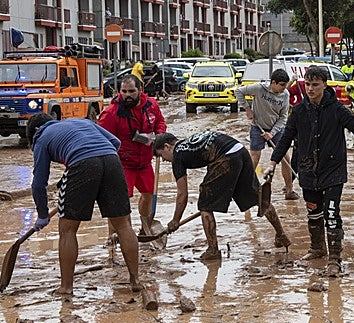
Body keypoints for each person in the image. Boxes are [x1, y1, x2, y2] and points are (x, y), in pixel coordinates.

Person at [264, 66, 354, 278]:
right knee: (313, 211)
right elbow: (286, 138)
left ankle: (335, 259)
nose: (310, 89)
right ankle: (317, 248)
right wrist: (272, 164)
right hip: (307, 170)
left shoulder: (337, 110)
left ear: (325, 85)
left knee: (332, 214)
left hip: (333, 170)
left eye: (315, 85)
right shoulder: (298, 112)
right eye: (307, 84)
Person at [26, 114, 141, 296]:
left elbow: (39, 183)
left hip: (82, 164)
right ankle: (135, 280)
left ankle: (66, 288)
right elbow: (115, 142)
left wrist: (42, 214)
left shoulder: (41, 137)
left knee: (67, 230)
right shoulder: (82, 121)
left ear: (35, 131)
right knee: (123, 225)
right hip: (112, 160)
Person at [153, 130, 290, 261]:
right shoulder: (188, 143)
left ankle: (213, 250)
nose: (164, 160)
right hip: (240, 150)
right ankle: (281, 234)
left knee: (205, 205)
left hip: (226, 157)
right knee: (257, 198)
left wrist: (175, 220)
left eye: (161, 155)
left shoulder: (178, 155)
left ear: (167, 146)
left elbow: (182, 194)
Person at [99, 74, 167, 235]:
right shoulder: (111, 113)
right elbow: (101, 139)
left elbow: (160, 122)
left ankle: (145, 226)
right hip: (122, 164)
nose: (127, 95)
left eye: (131, 91)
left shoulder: (151, 105)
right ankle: (115, 234)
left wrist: (159, 136)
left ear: (140, 90)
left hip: (144, 161)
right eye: (124, 91)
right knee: (120, 201)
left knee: (149, 193)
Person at [235, 68, 297, 200]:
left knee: (285, 159)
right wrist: (247, 109)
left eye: (285, 85)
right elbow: (239, 91)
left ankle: (289, 190)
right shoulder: (259, 89)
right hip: (258, 128)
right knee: (254, 157)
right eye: (281, 85)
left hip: (277, 130)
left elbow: (283, 118)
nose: (284, 88)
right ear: (273, 82)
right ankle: (245, 190)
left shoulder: (285, 94)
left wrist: (272, 133)